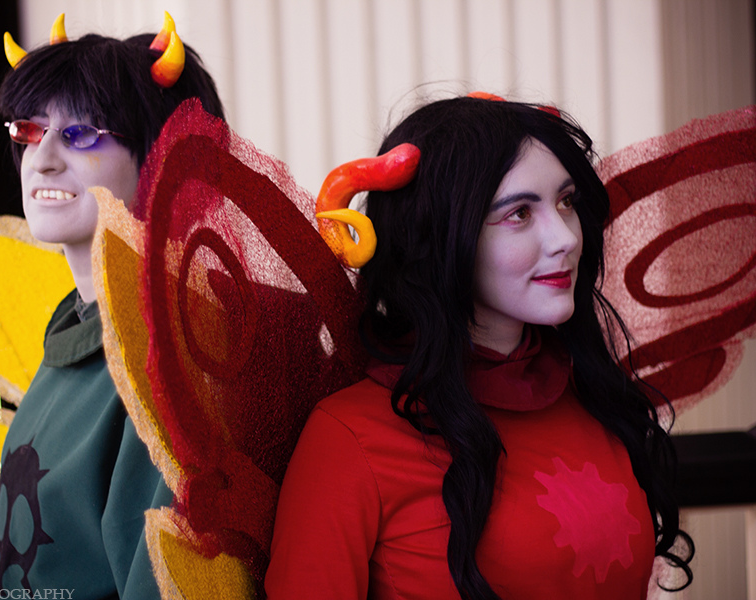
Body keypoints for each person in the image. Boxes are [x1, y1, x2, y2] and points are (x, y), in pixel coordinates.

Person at [265, 95, 693, 599]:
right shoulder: (348, 439)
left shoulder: (591, 394)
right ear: (438, 237)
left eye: (566, 202)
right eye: (519, 213)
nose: (565, 238)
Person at [0, 17, 224, 595]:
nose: (41, 159)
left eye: (80, 134)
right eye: (30, 130)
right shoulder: (74, 330)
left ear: (163, 159)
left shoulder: (177, 355)